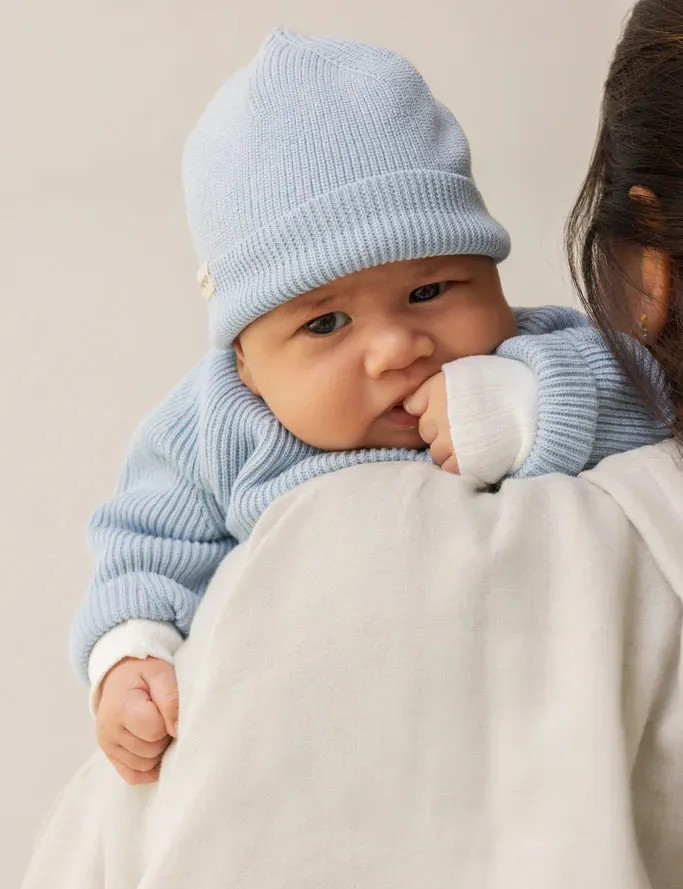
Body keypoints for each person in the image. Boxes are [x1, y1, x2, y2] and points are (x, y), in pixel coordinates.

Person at [71, 29, 669, 786]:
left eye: (429, 291)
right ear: (246, 365)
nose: (396, 347)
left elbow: (646, 391)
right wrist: (131, 652)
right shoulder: (218, 425)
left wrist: (525, 403)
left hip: (520, 734)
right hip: (330, 755)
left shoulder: (537, 352)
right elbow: (144, 540)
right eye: (324, 323)